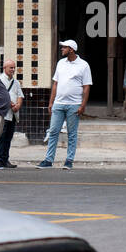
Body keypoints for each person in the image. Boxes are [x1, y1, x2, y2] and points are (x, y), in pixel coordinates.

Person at [38, 38, 92, 170]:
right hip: (59, 103)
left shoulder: (83, 65)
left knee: (71, 134)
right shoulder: (61, 63)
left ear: (71, 49)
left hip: (74, 104)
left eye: (64, 47)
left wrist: (82, 105)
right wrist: (51, 102)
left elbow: (86, 87)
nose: (62, 49)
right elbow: (55, 84)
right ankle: (49, 160)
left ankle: (69, 160)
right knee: (53, 131)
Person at [0, 58, 24, 169]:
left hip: (13, 115)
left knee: (8, 138)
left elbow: (20, 95)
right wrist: (11, 104)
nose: (13, 69)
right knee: (1, 137)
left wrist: (18, 105)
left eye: (14, 67)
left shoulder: (16, 82)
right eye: (11, 67)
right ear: (4, 68)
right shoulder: (0, 80)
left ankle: (5, 159)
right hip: (3, 114)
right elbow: (0, 96)